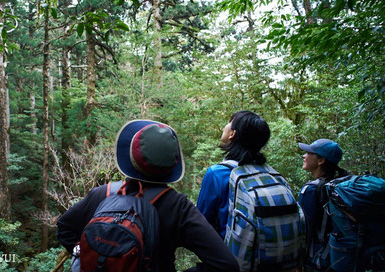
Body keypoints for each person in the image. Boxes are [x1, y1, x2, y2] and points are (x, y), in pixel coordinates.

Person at [57, 119, 239, 272]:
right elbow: (226, 265)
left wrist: (91, 255)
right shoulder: (177, 207)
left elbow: (65, 227)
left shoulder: (101, 194)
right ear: (172, 164)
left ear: (130, 158)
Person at [196, 110, 271, 239]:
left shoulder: (217, 174)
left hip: (229, 253)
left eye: (230, 122)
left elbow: (202, 222)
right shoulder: (268, 172)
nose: (226, 125)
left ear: (232, 134)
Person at [297, 139, 349, 271]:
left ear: (321, 161)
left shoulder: (311, 190)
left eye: (309, 153)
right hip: (340, 256)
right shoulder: (341, 184)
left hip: (317, 260)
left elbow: (303, 231)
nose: (304, 155)